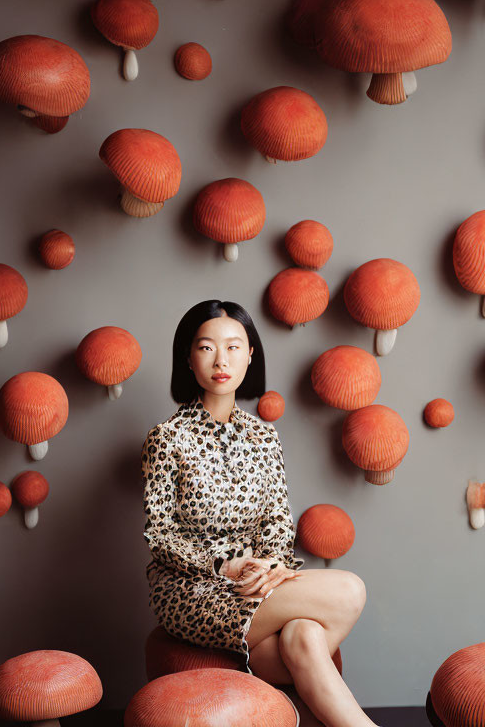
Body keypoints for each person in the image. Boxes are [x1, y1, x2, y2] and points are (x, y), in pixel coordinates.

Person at [142, 299, 378, 727]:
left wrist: (271, 564)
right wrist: (221, 565)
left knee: (304, 637)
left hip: (258, 580)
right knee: (350, 589)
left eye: (234, 347)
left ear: (251, 355)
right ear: (187, 357)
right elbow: (159, 533)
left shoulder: (264, 437)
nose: (221, 360)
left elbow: (277, 520)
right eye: (206, 347)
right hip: (193, 590)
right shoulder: (167, 437)